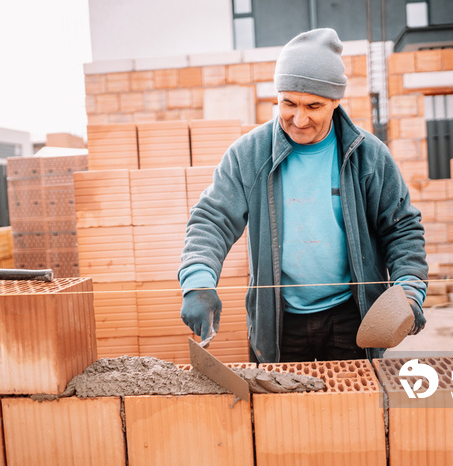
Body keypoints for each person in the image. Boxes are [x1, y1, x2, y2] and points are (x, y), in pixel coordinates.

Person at [178, 28, 428, 364]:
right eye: (289, 103)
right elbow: (213, 219)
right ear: (277, 96)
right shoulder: (250, 155)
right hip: (279, 323)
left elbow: (401, 228)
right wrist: (198, 282)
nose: (299, 119)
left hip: (353, 319)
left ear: (336, 101)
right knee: (284, 417)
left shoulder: (368, 156)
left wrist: (410, 289)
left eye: (313, 105)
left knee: (351, 415)